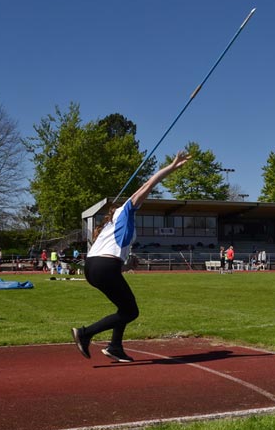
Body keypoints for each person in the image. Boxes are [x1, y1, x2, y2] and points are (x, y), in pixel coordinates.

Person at [72, 151, 191, 363]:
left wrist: (126, 266)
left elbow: (108, 258)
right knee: (131, 311)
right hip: (103, 266)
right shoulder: (125, 210)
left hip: (93, 266)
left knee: (124, 308)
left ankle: (115, 346)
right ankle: (85, 333)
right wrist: (170, 168)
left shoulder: (111, 224)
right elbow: (148, 185)